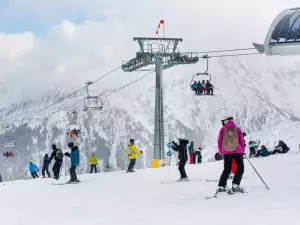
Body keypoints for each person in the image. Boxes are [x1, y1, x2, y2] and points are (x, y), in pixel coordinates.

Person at [217, 117, 245, 193]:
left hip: (226, 151)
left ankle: (221, 186)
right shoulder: (237, 129)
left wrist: (221, 151)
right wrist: (242, 150)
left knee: (227, 169)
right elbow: (241, 140)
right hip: (237, 151)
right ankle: (235, 185)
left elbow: (219, 141)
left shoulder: (222, 129)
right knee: (240, 168)